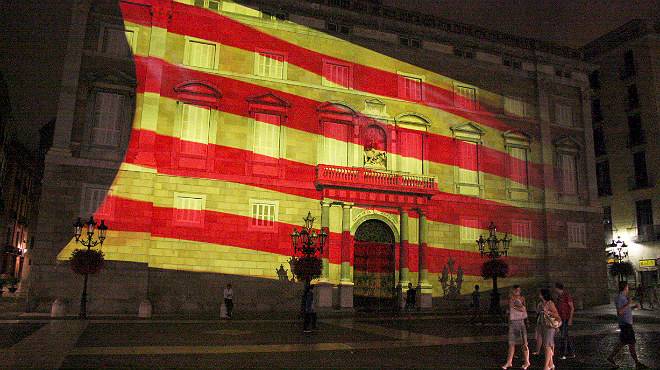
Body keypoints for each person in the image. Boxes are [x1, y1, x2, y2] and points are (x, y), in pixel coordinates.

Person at [607, 281, 648, 369]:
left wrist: (633, 307)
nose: (628, 288)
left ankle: (610, 357)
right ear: (625, 287)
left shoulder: (623, 297)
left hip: (626, 324)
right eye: (628, 287)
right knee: (632, 343)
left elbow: (625, 309)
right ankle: (637, 363)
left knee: (622, 343)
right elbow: (620, 312)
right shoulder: (620, 298)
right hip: (626, 325)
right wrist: (628, 303)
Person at [502, 285, 530, 370]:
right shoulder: (510, 299)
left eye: (519, 290)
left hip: (520, 322)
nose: (517, 291)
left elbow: (524, 309)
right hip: (513, 323)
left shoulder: (521, 298)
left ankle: (527, 361)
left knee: (524, 343)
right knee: (511, 343)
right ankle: (509, 361)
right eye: (516, 290)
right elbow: (509, 311)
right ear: (513, 291)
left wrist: (527, 320)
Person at [540, 288, 560, 370]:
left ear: (543, 295)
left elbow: (557, 315)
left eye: (540, 293)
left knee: (547, 346)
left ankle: (546, 366)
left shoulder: (550, 303)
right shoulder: (542, 303)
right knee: (546, 346)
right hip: (544, 326)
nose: (539, 295)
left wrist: (548, 312)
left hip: (549, 327)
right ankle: (551, 364)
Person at [554, 282, 575, 360]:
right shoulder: (559, 296)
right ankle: (571, 353)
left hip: (566, 318)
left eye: (555, 288)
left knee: (563, 336)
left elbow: (572, 308)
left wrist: (570, 319)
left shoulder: (566, 296)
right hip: (561, 318)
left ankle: (563, 353)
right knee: (565, 335)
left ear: (557, 288)